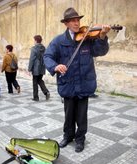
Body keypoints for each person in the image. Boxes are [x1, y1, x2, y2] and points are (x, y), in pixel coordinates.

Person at [44, 7, 110, 152]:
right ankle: (68, 136)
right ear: (66, 23)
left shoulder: (87, 38)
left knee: (81, 115)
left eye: (78, 20)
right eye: (73, 21)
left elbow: (101, 51)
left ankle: (80, 139)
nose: (76, 23)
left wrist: (102, 37)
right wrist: (55, 66)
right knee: (69, 114)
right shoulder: (58, 41)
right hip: (68, 84)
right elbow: (47, 56)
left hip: (84, 83)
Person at [28, 35, 50, 101]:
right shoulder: (44, 48)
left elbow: (32, 59)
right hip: (42, 67)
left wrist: (29, 69)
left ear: (36, 40)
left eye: (34, 40)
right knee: (40, 80)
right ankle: (46, 92)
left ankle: (36, 97)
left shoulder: (34, 48)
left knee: (35, 82)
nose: (34, 41)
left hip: (35, 68)